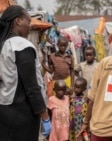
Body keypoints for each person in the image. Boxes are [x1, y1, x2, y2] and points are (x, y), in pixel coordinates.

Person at [0, 5, 51, 141]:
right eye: (28, 22)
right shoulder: (21, 45)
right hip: (22, 114)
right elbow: (31, 87)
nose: (30, 26)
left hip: (4, 110)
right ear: (18, 21)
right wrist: (45, 116)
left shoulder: (3, 44)